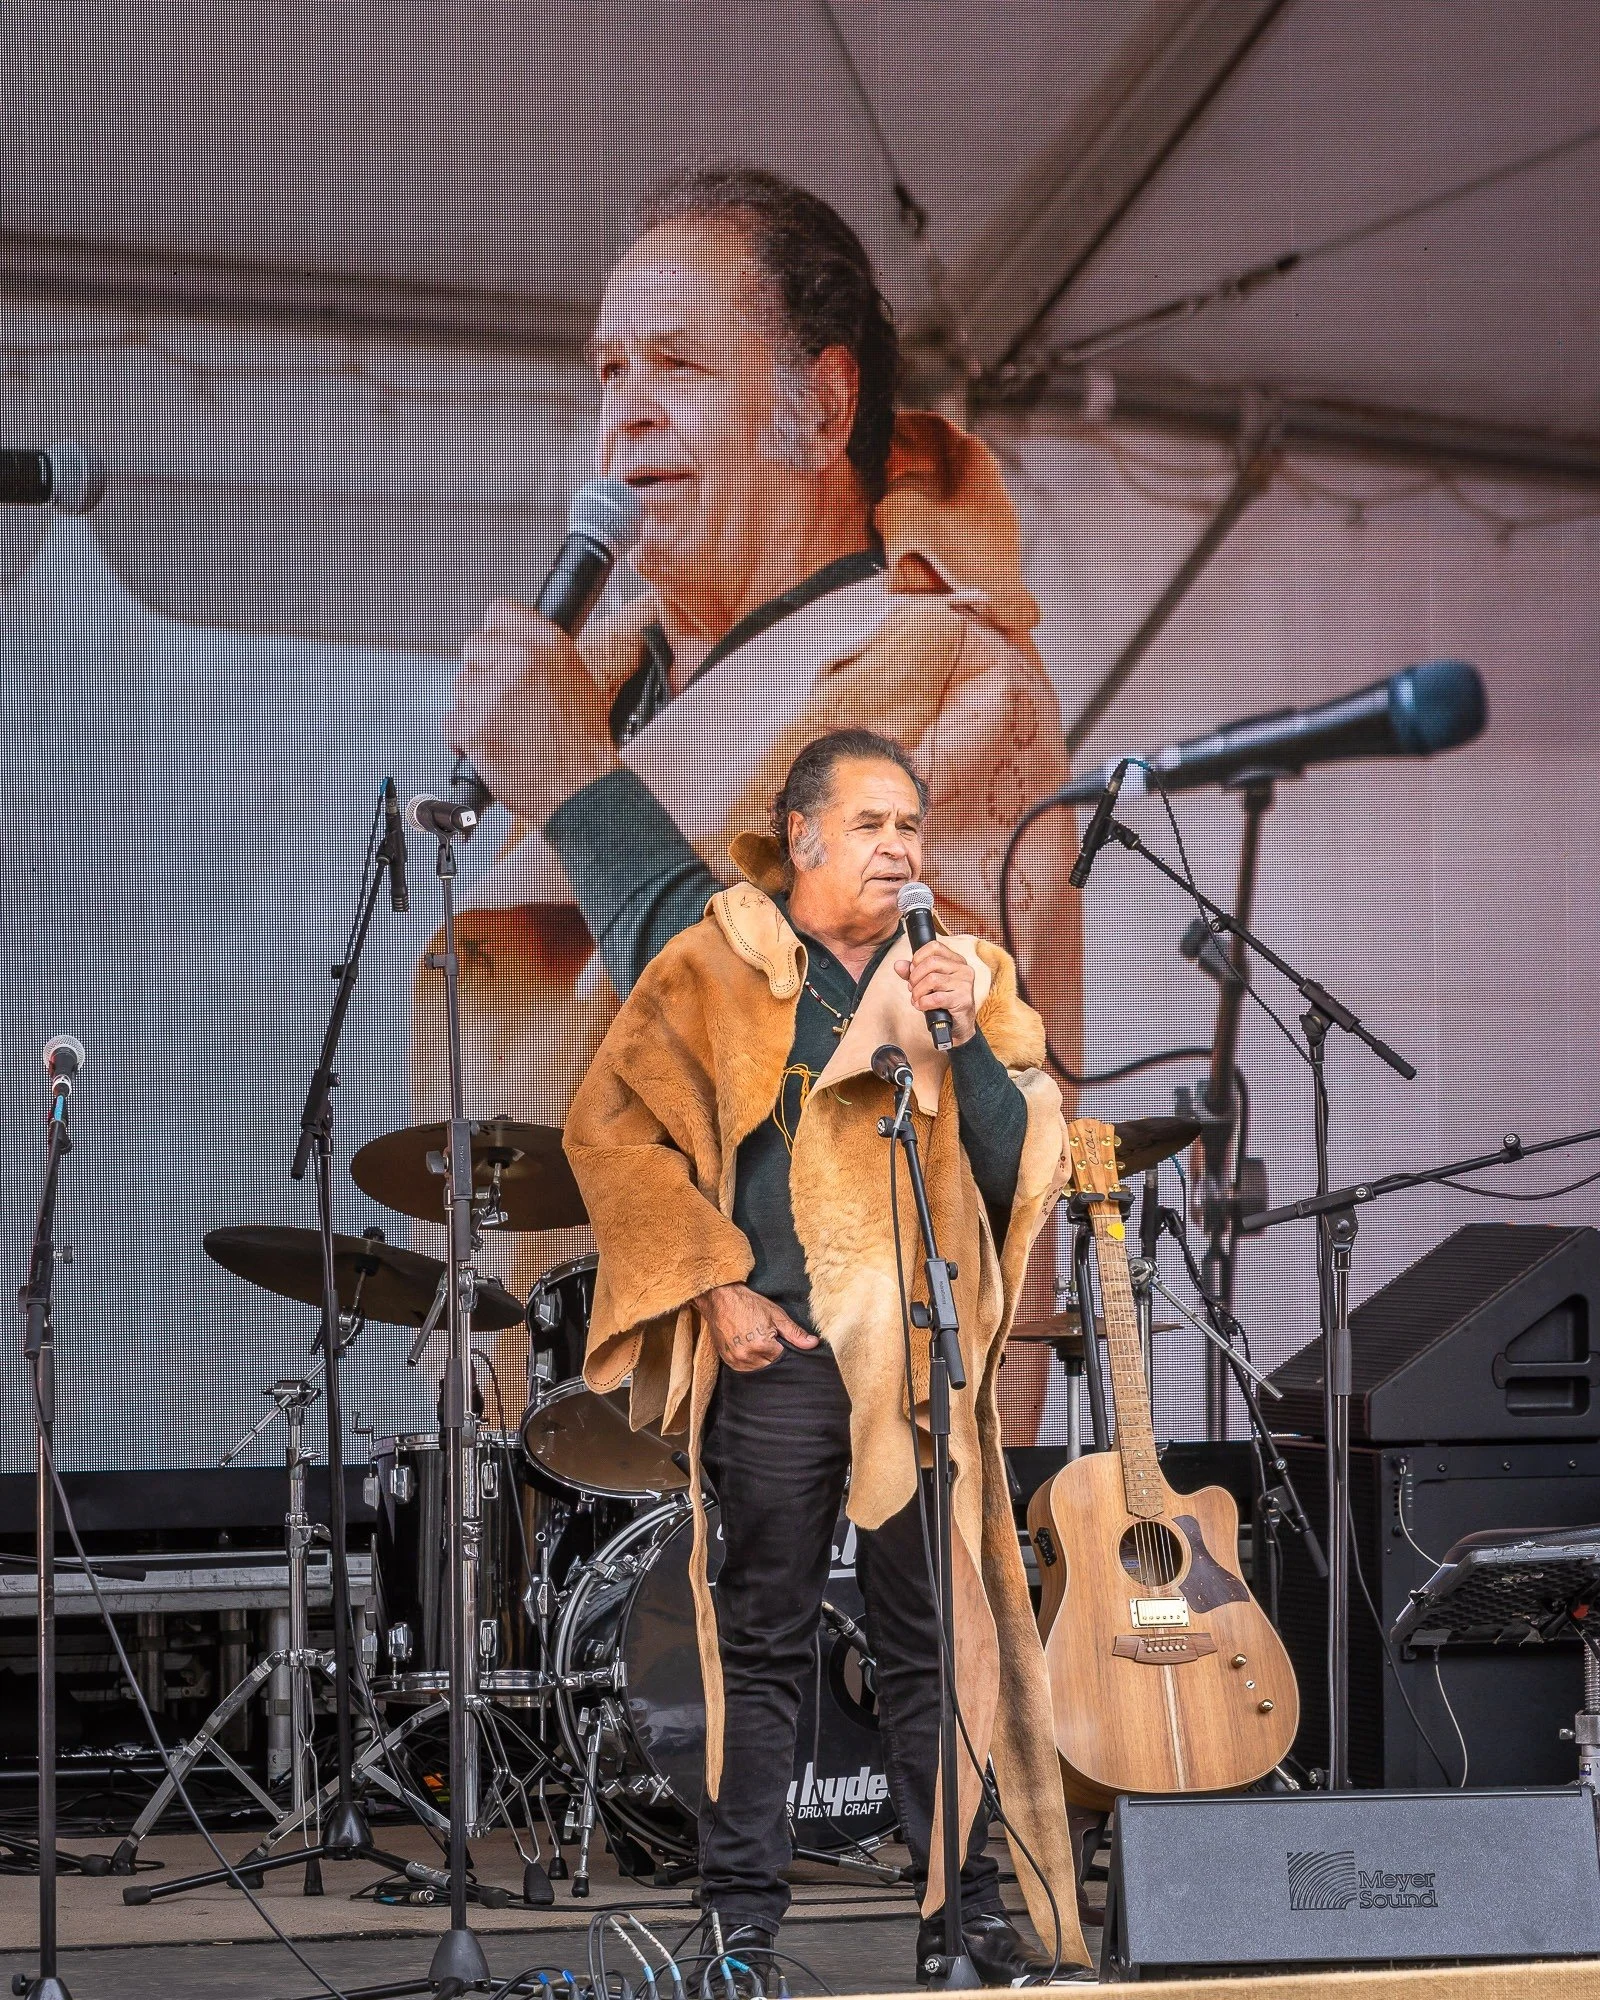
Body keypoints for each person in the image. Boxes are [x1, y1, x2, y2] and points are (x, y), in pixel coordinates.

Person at [415, 166, 1079, 1442]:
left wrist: (580, 791)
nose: (626, 416)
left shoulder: (951, 672)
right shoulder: (599, 684)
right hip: (560, 1446)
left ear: (823, 407)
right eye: (608, 372)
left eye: (677, 364)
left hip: (817, 1432)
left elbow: (846, 1057)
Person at [562, 731, 1088, 1984]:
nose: (901, 846)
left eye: (910, 822)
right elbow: (613, 1137)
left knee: (936, 1640)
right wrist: (715, 1284)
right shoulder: (708, 966)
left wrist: (961, 1035)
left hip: (915, 1355)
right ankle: (740, 1927)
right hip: (781, 1355)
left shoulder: (959, 971)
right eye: (870, 822)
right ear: (799, 835)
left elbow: (1023, 1171)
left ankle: (960, 1919)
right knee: (762, 1638)